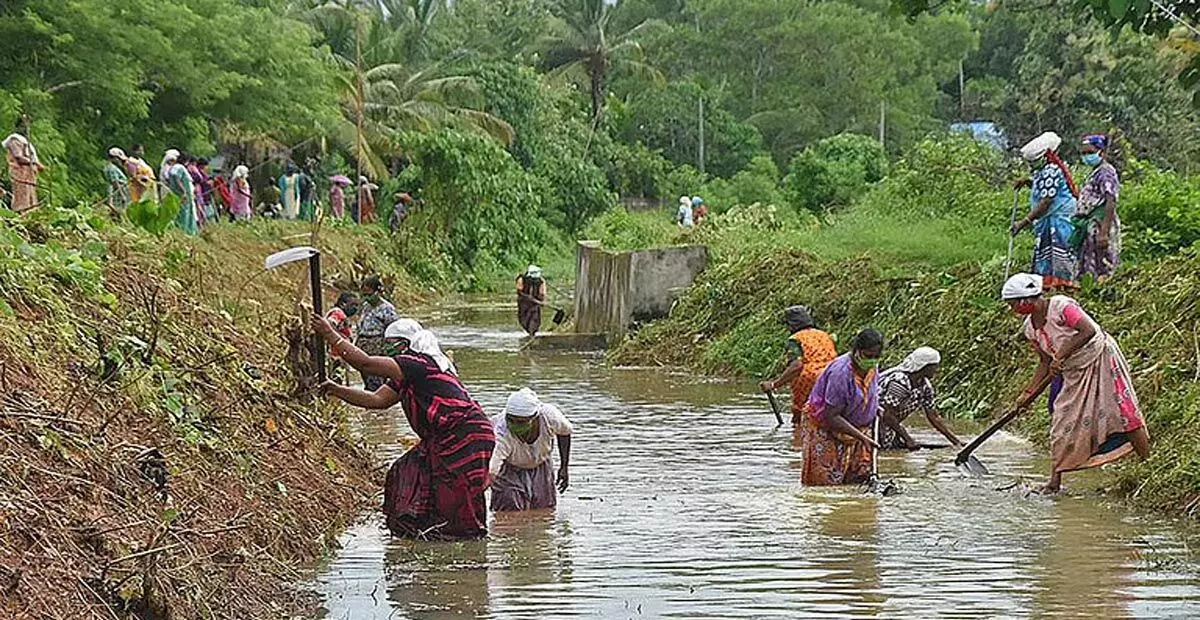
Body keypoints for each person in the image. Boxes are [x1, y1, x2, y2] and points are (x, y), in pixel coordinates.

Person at [311, 316, 494, 540]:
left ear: (408, 344)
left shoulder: (419, 363)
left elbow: (365, 363)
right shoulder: (408, 375)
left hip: (464, 434)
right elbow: (376, 400)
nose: (389, 350)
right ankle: (425, 533)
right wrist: (336, 390)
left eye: (393, 344)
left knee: (456, 494)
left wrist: (331, 335)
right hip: (445, 438)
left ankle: (465, 544)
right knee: (405, 474)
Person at [1000, 273, 1150, 493]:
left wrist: (1061, 355)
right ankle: (1055, 482)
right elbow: (1044, 361)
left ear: (1026, 300)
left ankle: (1148, 464)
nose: (1013, 309)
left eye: (1013, 304)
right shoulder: (1030, 328)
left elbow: (1088, 330)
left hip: (1100, 358)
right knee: (1060, 419)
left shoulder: (1061, 307)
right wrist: (1028, 392)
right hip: (1073, 371)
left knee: (1123, 411)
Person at [799, 328, 884, 486]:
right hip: (825, 426)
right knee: (825, 482)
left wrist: (873, 407)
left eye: (876, 357)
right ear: (857, 351)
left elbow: (868, 391)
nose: (872, 360)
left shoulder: (872, 367)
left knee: (856, 478)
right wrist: (862, 437)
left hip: (856, 430)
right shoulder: (841, 373)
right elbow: (831, 416)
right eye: (868, 356)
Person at [1012, 131, 1079, 291]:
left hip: (1059, 217)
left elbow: (1046, 201)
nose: (1031, 165)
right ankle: (1048, 284)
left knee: (1059, 251)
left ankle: (1064, 285)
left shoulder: (1052, 170)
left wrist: (1024, 222)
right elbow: (1041, 186)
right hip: (1050, 218)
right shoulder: (1043, 170)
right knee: (1047, 251)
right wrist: (1028, 182)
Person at [488, 388, 572, 512]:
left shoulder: (549, 417)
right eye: (511, 420)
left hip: (541, 463)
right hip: (509, 467)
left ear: (534, 418)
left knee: (544, 509)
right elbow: (492, 470)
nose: (515, 424)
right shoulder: (501, 432)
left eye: (521, 422)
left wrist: (564, 467)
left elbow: (565, 432)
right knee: (509, 507)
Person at [759, 305, 838, 425]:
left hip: (810, 381)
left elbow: (797, 365)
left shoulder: (795, 339)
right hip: (834, 376)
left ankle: (798, 441)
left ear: (791, 325)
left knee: (800, 419)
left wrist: (774, 384)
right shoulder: (824, 335)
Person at [877, 347, 963, 450]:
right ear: (925, 367)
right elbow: (887, 415)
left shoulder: (925, 386)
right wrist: (907, 438)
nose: (936, 370)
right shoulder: (900, 382)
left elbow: (933, 417)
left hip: (891, 425)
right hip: (875, 423)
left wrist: (956, 442)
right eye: (935, 367)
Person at [1076, 134, 1121, 282]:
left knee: (1103, 264)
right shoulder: (1095, 172)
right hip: (1091, 224)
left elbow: (1110, 201)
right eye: (1083, 153)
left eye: (1089, 152)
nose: (1086, 156)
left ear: (1101, 152)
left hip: (1101, 223)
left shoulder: (1106, 172)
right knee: (1089, 264)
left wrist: (1104, 232)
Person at [355, 275, 401, 391]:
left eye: (369, 294)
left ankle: (375, 405)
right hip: (363, 346)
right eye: (364, 295)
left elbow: (394, 329)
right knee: (367, 378)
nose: (366, 297)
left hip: (377, 347)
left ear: (377, 292)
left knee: (376, 381)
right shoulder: (365, 307)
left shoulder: (387, 309)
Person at [3, 121, 44, 213]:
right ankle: (21, 213)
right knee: (22, 196)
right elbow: (19, 157)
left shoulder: (26, 141)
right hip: (20, 174)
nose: (24, 129)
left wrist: (36, 164)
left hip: (29, 175)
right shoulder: (14, 140)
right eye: (22, 126)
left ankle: (31, 214)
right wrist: (35, 163)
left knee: (31, 196)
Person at [161, 150, 198, 235]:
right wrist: (184, 191)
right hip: (181, 195)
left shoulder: (174, 167)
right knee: (183, 213)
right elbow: (177, 178)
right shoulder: (179, 167)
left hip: (177, 194)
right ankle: (184, 231)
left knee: (182, 212)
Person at [326, 292, 359, 381]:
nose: (355, 308)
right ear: (342, 304)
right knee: (337, 379)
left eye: (356, 305)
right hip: (336, 354)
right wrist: (338, 338)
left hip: (339, 353)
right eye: (352, 305)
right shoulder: (338, 313)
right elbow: (330, 324)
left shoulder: (340, 314)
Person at [516, 264, 547, 336]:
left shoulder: (541, 281)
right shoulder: (521, 279)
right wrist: (528, 297)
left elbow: (542, 293)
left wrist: (542, 301)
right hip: (523, 303)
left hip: (535, 304)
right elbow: (519, 291)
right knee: (524, 320)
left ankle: (532, 333)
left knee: (534, 319)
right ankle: (530, 332)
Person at [104, 147, 131, 213]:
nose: (120, 161)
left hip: (120, 191)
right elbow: (115, 182)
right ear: (114, 158)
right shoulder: (111, 168)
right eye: (119, 159)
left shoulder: (112, 167)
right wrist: (122, 195)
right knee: (119, 210)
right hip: (117, 194)